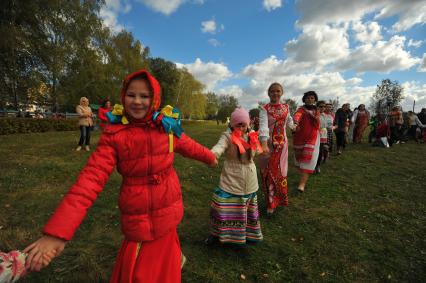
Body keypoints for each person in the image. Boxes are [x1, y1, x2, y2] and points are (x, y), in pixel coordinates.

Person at [24, 69, 218, 283]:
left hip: (168, 211)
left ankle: (173, 261)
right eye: (131, 94)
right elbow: (89, 180)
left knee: (166, 266)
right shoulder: (115, 135)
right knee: (138, 274)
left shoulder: (166, 128)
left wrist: (209, 157)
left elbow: (189, 145)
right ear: (123, 95)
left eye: (144, 96)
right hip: (139, 220)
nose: (137, 101)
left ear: (155, 99)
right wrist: (57, 233)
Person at [206, 108, 263, 245]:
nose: (242, 128)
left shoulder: (252, 135)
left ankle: (247, 234)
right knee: (223, 207)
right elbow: (220, 146)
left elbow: (257, 152)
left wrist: (258, 145)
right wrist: (213, 154)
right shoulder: (227, 136)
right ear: (232, 124)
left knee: (246, 208)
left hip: (249, 177)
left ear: (248, 124)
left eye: (244, 125)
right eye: (238, 124)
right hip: (231, 177)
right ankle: (218, 233)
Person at [258, 83, 295, 216]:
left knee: (281, 174)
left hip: (283, 146)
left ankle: (281, 199)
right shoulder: (264, 109)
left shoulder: (286, 107)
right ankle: (271, 203)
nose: (275, 93)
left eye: (278, 91)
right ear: (268, 93)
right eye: (272, 91)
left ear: (282, 92)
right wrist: (263, 145)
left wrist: (293, 126)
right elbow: (263, 127)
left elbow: (289, 120)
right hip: (269, 146)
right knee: (269, 174)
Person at [293, 91, 320, 192]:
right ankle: (302, 178)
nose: (310, 99)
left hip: (313, 138)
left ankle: (302, 184)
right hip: (300, 138)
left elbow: (317, 123)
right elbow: (297, 116)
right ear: (304, 99)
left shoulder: (316, 111)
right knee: (300, 161)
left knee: (309, 160)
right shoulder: (300, 110)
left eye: (312, 98)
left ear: (315, 100)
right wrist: (295, 123)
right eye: (308, 98)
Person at [315, 101, 330, 174]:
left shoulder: (325, 115)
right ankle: (312, 165)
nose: (323, 108)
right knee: (315, 151)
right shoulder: (314, 114)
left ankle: (318, 166)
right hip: (315, 134)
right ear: (317, 106)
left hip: (323, 135)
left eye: (324, 106)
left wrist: (331, 127)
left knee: (320, 151)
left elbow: (327, 125)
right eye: (321, 106)